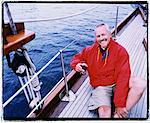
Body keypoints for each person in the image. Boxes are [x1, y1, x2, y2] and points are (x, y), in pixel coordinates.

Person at [70, 23, 147, 118]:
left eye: (103, 34)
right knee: (104, 111)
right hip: (101, 85)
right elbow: (76, 58)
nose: (101, 38)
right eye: (98, 36)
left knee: (140, 84)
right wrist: (76, 65)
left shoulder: (120, 51)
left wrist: (120, 104)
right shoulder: (89, 50)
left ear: (110, 35)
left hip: (116, 82)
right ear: (95, 38)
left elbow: (123, 78)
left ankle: (119, 114)